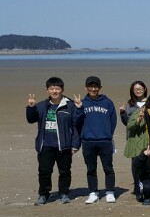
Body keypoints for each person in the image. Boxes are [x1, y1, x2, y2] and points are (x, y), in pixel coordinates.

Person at [26, 77, 79, 205]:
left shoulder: (70, 105)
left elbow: (76, 126)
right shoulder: (42, 105)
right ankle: (43, 194)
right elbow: (31, 119)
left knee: (65, 171)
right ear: (47, 90)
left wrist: (75, 145)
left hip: (64, 145)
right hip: (46, 145)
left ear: (62, 89)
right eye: (52, 89)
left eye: (57, 88)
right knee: (44, 171)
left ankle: (64, 193)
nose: (55, 91)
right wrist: (31, 107)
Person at [73, 76, 118, 204]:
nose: (93, 89)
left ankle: (110, 192)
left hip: (105, 141)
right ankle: (93, 193)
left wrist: (107, 134)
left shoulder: (107, 102)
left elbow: (113, 121)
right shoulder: (82, 103)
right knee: (91, 169)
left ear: (100, 88)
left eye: (96, 86)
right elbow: (77, 122)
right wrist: (79, 108)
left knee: (108, 168)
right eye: (90, 87)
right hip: (88, 141)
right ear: (86, 88)